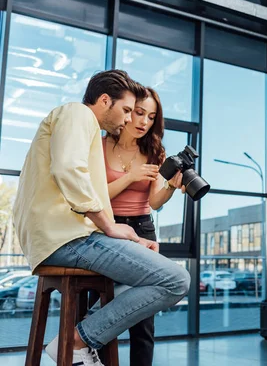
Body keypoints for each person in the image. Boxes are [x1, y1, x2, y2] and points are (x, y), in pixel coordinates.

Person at [12, 70, 191, 366]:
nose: (128, 120)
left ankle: (79, 341)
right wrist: (109, 226)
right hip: (69, 238)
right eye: (125, 111)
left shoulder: (87, 132)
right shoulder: (77, 113)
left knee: (134, 286)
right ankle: (76, 342)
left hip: (69, 235)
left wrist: (131, 236)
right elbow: (68, 171)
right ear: (105, 100)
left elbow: (85, 186)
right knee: (176, 280)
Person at [102, 86, 184, 366]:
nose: (143, 122)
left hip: (142, 231)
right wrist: (130, 176)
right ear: (126, 110)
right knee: (103, 305)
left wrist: (171, 188)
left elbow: (154, 201)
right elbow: (94, 196)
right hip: (107, 228)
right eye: (138, 113)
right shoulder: (99, 145)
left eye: (151, 117)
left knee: (144, 321)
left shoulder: (154, 151)